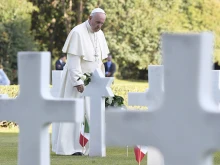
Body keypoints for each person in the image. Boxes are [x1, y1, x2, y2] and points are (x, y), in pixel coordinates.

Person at [52, 8, 109, 156]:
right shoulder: (77, 32)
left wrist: (101, 80)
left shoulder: (100, 34)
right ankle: (70, 148)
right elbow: (73, 61)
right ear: (89, 18)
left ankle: (92, 147)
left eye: (102, 23)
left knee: (94, 114)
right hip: (76, 80)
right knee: (72, 113)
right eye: (97, 22)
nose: (99, 26)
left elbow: (99, 61)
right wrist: (77, 81)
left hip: (94, 81)